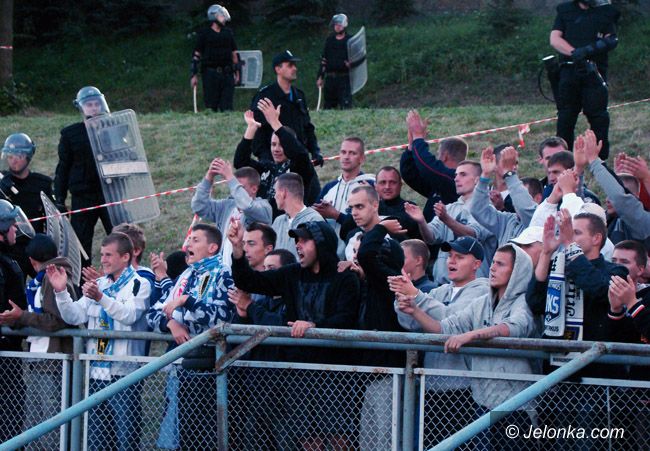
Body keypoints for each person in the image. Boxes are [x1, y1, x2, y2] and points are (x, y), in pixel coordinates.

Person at [229, 219, 360, 449]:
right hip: (297, 371)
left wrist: (314, 326)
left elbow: (346, 317)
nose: (298, 245)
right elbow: (248, 281)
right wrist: (238, 249)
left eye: (304, 240)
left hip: (334, 372)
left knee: (339, 437)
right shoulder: (292, 274)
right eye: (296, 240)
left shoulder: (344, 276)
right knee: (307, 439)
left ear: (320, 243)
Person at [396, 244, 536, 448]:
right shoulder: (482, 302)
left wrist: (471, 335)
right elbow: (446, 327)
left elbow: (515, 326)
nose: (492, 268)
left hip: (516, 405)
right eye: (493, 262)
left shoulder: (524, 302)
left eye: (500, 264)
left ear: (517, 272)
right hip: (483, 403)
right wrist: (415, 311)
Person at [51, 232, 151, 451]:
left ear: (125, 257)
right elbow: (75, 316)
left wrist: (100, 297)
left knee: (125, 441)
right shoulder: (99, 284)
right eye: (102, 254)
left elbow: (129, 315)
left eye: (108, 255)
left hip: (124, 374)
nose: (103, 260)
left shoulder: (140, 283)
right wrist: (61, 292)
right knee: (96, 441)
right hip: (96, 372)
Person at [391, 236, 489, 448]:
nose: (451, 261)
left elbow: (451, 321)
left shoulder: (482, 290)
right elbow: (410, 323)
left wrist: (416, 296)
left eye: (459, 257)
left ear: (476, 264)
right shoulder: (441, 290)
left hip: (463, 390)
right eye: (450, 256)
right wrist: (403, 300)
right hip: (431, 386)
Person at [147, 223, 234, 451]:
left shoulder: (223, 273)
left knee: (211, 436)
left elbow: (221, 318)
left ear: (212, 247)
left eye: (196, 240)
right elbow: (153, 313)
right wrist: (171, 324)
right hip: (187, 365)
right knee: (187, 435)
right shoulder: (188, 275)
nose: (188, 245)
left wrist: (188, 301)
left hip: (214, 365)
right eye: (189, 240)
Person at [527, 210, 627, 377]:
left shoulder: (617, 271)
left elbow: (598, 288)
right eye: (568, 232)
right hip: (557, 369)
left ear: (596, 238)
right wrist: (546, 253)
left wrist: (570, 245)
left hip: (598, 372)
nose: (568, 236)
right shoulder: (559, 268)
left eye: (576, 233)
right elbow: (535, 302)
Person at [0, 234, 75, 450]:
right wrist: (16, 319)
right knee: (33, 426)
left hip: (52, 362)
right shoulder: (41, 280)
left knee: (51, 426)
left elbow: (56, 321)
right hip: (39, 360)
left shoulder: (53, 280)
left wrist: (22, 317)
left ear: (32, 261)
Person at [405, 160, 495, 286]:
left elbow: (472, 236)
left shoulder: (487, 208)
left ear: (477, 180)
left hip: (474, 286)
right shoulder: (450, 208)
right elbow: (431, 238)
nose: (456, 179)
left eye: (463, 174)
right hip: (444, 285)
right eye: (456, 175)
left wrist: (446, 219)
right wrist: (421, 221)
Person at [550, 0, 620, 160]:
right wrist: (575, 53)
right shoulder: (565, 10)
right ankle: (563, 161)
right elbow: (555, 39)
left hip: (594, 71)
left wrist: (588, 50)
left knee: (598, 118)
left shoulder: (605, 12)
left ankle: (600, 161)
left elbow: (611, 40)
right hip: (569, 71)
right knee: (565, 117)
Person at [55, 86, 113, 265]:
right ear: (81, 107)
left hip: (110, 192)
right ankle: (83, 278)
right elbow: (63, 168)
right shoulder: (71, 134)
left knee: (120, 236)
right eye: (89, 104)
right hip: (83, 196)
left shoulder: (113, 128)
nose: (94, 108)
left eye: (96, 104)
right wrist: (59, 198)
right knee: (80, 243)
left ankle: (124, 273)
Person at [233, 105, 320, 215]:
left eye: (281, 145)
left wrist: (275, 123)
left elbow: (300, 155)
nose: (276, 149)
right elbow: (240, 162)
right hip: (264, 223)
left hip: (289, 223)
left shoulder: (299, 169)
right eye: (273, 144)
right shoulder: (267, 167)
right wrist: (251, 128)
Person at [191, 155, 272, 265]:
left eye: (239, 187)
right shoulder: (227, 206)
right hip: (223, 267)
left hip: (248, 267)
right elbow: (198, 207)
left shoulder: (264, 207)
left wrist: (230, 177)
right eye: (233, 186)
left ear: (254, 189)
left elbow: (247, 206)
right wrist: (209, 177)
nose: (235, 190)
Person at [575, 129, 650, 246]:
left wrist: (594, 161)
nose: (609, 199)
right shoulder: (604, 218)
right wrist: (578, 168)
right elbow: (578, 208)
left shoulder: (642, 223)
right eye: (608, 194)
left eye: (611, 193)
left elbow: (619, 198)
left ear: (634, 198)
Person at [250, 50, 322, 165]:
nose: (295, 68)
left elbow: (307, 127)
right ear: (278, 69)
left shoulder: (299, 95)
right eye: (290, 65)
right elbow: (257, 130)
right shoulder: (265, 96)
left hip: (298, 159)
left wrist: (315, 151)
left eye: (295, 65)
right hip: (275, 160)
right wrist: (265, 158)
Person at [0, 200, 34, 444]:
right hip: (5, 353)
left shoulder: (9, 260)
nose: (16, 229)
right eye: (12, 225)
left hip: (9, 351)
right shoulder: (5, 264)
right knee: (10, 418)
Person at [1, 132, 53, 277]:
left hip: (36, 246)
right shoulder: (2, 183)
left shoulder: (42, 183)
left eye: (19, 156)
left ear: (28, 156)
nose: (14, 160)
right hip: (10, 246)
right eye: (10, 156)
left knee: (48, 283)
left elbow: (52, 214)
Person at [400, 110, 468, 220]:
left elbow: (427, 166)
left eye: (438, 154)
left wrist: (418, 137)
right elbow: (409, 174)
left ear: (444, 156)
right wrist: (412, 146)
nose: (437, 158)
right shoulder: (440, 183)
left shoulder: (455, 180)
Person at [471, 146, 540, 247]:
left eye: (522, 194)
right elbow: (478, 210)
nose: (517, 198)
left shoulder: (538, 221)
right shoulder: (507, 221)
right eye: (507, 163)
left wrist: (509, 173)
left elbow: (524, 208)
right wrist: (485, 175)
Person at [191, 4, 239, 112]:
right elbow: (196, 55)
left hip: (227, 74)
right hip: (210, 74)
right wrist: (193, 74)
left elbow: (234, 54)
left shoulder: (228, 33)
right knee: (211, 106)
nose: (224, 18)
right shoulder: (205, 34)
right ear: (214, 16)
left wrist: (237, 73)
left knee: (227, 107)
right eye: (221, 16)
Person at [271, 173, 325, 257]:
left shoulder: (314, 220)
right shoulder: (278, 221)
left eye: (275, 192)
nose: (274, 196)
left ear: (283, 193)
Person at [316, 13, 352, 109]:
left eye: (339, 24)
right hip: (330, 79)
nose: (337, 27)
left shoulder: (350, 40)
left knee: (345, 106)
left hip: (344, 78)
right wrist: (320, 76)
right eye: (336, 25)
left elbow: (355, 58)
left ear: (344, 25)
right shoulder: (330, 40)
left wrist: (351, 65)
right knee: (328, 107)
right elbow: (324, 60)